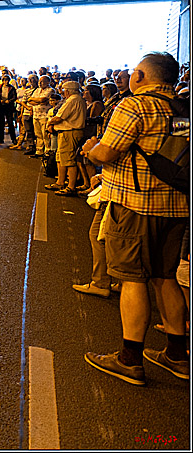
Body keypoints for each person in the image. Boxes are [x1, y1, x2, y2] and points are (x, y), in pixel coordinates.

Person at [80, 52, 189, 385]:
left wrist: (92, 147)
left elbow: (108, 152)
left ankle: (129, 359)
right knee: (165, 276)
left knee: (133, 278)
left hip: (134, 205)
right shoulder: (183, 107)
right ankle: (176, 355)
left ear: (141, 76)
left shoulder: (135, 106)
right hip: (176, 205)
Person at [45, 80, 86, 195]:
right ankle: (60, 182)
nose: (62, 93)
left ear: (67, 91)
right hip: (67, 132)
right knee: (61, 157)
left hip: (70, 132)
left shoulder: (72, 100)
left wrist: (49, 123)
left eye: (63, 90)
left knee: (69, 159)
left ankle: (71, 186)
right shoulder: (77, 99)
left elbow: (59, 117)